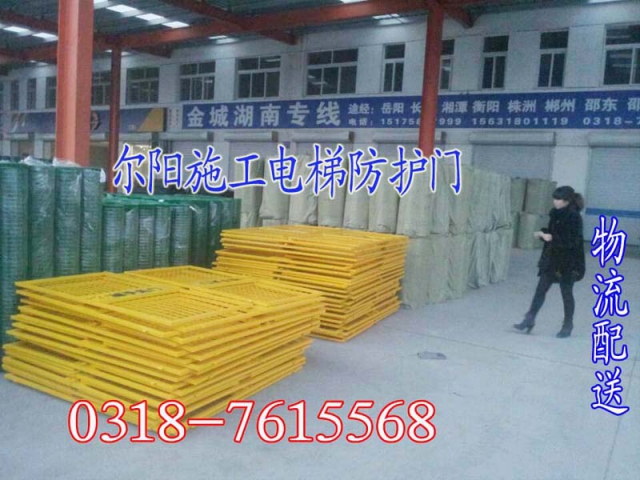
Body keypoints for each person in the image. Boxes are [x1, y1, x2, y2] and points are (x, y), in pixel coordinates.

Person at [514, 186, 586, 338]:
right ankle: (529, 319)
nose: (555, 201)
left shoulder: (574, 217)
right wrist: (544, 234)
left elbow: (572, 241)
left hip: (568, 263)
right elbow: (553, 232)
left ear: (567, 201)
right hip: (552, 260)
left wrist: (551, 238)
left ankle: (568, 325)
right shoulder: (555, 213)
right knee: (540, 290)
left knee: (566, 294)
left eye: (559, 199)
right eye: (554, 198)